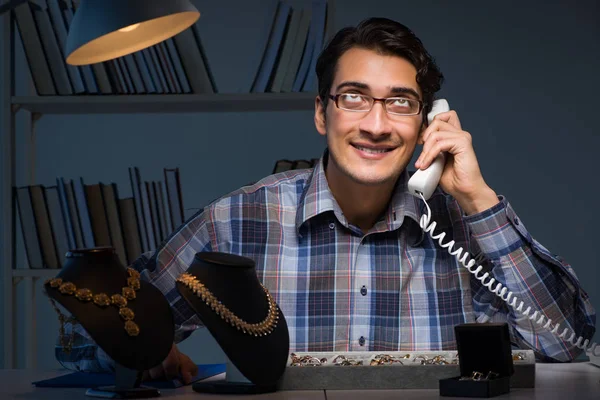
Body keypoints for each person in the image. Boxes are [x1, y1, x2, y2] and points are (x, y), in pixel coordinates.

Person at [56, 17, 596, 382]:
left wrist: (478, 198)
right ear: (322, 114)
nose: (377, 125)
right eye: (354, 98)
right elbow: (95, 336)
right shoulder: (237, 219)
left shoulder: (464, 228)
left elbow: (563, 346)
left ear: (429, 122)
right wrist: (143, 353)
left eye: (401, 103)